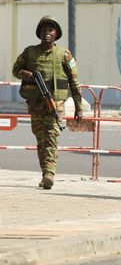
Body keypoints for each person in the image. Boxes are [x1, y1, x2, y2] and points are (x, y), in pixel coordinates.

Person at [12, 16, 84, 189]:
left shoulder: (64, 54)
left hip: (55, 105)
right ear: (39, 33)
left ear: (56, 33)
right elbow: (15, 70)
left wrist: (79, 107)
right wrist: (25, 74)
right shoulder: (30, 52)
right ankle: (45, 172)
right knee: (41, 140)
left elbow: (74, 82)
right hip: (36, 104)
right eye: (44, 29)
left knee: (51, 137)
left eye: (50, 30)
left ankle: (49, 173)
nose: (47, 32)